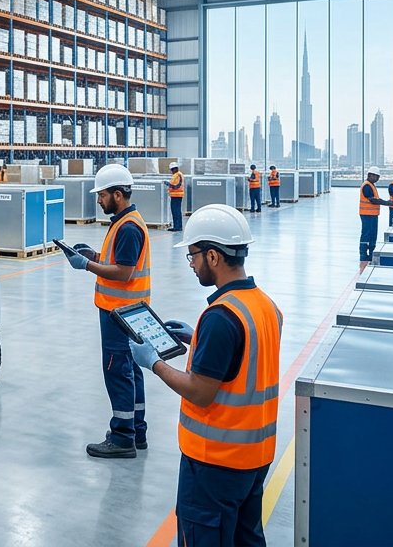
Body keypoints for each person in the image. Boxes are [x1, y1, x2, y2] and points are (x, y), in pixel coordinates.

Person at [130, 204, 283, 547]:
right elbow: (244, 358)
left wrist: (153, 361)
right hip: (254, 458)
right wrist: (194, 338)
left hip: (215, 462)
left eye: (193, 256)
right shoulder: (265, 305)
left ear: (213, 256)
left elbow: (200, 391)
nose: (192, 264)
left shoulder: (221, 317)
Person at [67, 163, 150, 459]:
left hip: (118, 311)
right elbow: (116, 260)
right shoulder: (125, 221)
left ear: (118, 194)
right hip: (129, 309)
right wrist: (94, 255)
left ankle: (122, 437)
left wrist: (87, 265)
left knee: (117, 370)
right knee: (131, 369)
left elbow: (123, 272)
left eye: (102, 195)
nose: (99, 200)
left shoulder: (127, 227)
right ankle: (136, 430)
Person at [358, 166, 393, 269]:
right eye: (376, 176)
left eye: (378, 177)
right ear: (370, 175)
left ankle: (371, 252)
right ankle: (363, 254)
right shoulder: (367, 186)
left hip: (373, 214)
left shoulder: (372, 185)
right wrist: (387, 203)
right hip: (366, 214)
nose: (377, 179)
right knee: (366, 234)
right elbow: (373, 200)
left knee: (373, 234)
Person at [168, 161, 185, 232]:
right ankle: (176, 225)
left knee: (176, 211)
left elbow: (177, 186)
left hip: (177, 196)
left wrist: (168, 185)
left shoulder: (178, 175)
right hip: (174, 195)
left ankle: (178, 226)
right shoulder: (176, 175)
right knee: (175, 211)